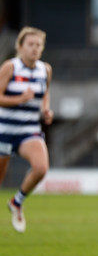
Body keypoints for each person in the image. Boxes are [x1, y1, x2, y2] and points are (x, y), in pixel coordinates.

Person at [1, 27, 53, 233]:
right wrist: (19, 99)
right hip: (4, 130)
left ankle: (17, 202)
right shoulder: (10, 67)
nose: (34, 49)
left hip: (29, 130)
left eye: (38, 45)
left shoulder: (45, 70)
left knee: (41, 168)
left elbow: (45, 93)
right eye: (30, 44)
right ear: (20, 47)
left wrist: (46, 110)